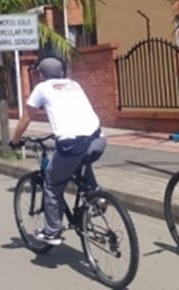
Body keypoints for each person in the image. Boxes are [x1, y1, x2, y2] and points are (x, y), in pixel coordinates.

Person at [9, 56, 106, 246]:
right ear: (61, 73)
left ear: (40, 75)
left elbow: (26, 119)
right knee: (80, 161)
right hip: (98, 140)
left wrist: (15, 141)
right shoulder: (74, 84)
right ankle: (97, 197)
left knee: (52, 184)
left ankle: (52, 232)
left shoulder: (42, 88)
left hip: (72, 144)